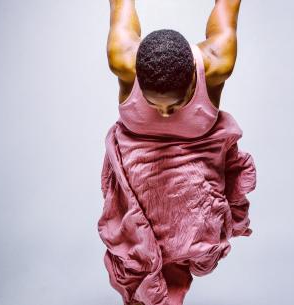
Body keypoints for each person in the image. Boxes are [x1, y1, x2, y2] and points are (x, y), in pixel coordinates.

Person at [98, 1, 256, 304]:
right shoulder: (122, 58)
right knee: (139, 272)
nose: (165, 114)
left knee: (178, 267)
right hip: (138, 185)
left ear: (193, 81)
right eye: (154, 104)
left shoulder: (217, 62)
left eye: (176, 103)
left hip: (192, 188)